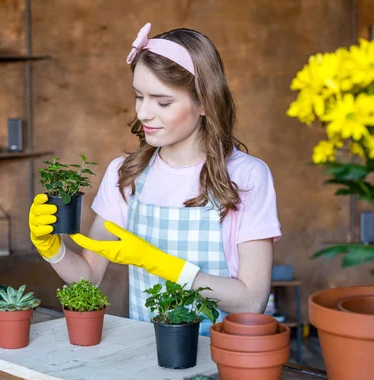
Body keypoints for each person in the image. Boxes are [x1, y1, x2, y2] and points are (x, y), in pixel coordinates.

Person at [29, 22, 281, 335]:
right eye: (139, 96)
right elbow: (89, 277)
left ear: (204, 102)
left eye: (162, 102)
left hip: (222, 358)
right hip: (147, 357)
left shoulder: (245, 176)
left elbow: (251, 301)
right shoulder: (126, 175)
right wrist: (53, 249)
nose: (144, 113)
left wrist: (160, 263)